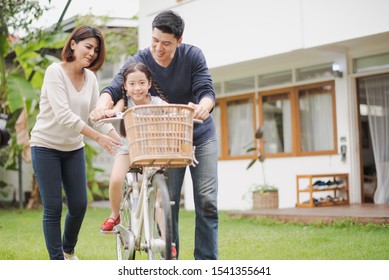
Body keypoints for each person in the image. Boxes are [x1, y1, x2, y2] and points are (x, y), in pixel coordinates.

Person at [90, 10, 219, 260]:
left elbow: (206, 90)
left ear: (179, 42)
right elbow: (116, 86)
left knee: (207, 202)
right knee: (167, 204)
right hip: (163, 140)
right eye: (154, 41)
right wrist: (101, 105)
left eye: (166, 43)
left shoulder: (192, 56)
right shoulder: (141, 59)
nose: (158, 48)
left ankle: (206, 264)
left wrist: (204, 106)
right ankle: (169, 261)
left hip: (200, 135)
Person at [30, 25, 120, 260]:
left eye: (95, 49)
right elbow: (65, 116)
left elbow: (95, 115)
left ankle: (68, 251)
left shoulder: (90, 77)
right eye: (88, 46)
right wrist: (99, 138)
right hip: (45, 146)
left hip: (72, 149)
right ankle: (57, 261)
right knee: (53, 207)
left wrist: (119, 142)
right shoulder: (54, 72)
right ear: (73, 44)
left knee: (79, 205)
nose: (91, 53)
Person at [99, 62, 167, 232]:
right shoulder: (125, 102)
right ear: (125, 86)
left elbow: (171, 109)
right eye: (132, 84)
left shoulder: (157, 102)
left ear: (149, 84)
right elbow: (115, 110)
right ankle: (115, 215)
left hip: (151, 149)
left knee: (158, 195)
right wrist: (110, 112)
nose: (137, 88)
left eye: (142, 83)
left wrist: (182, 111)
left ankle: (167, 240)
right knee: (115, 180)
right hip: (128, 148)